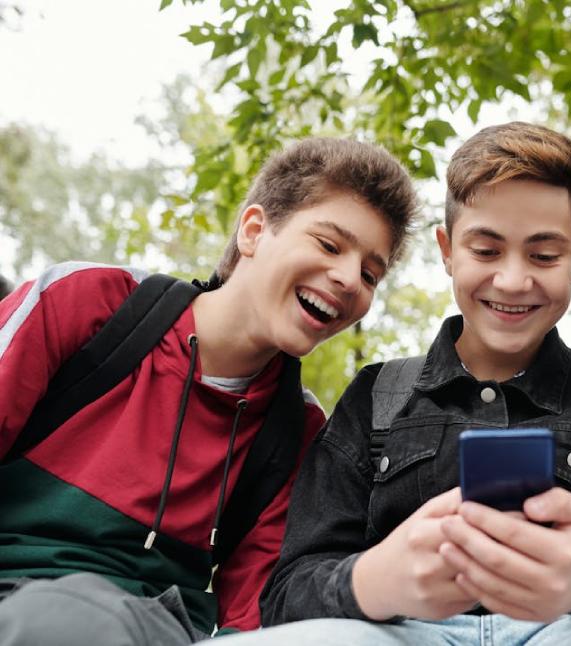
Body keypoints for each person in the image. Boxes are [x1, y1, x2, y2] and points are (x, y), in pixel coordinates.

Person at [216, 122, 571, 645]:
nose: (511, 280)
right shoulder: (377, 397)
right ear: (447, 250)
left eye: (544, 255)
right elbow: (286, 594)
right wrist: (376, 580)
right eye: (485, 251)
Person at [0, 137, 417, 645]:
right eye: (330, 245)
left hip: (162, 629)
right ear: (254, 231)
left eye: (371, 273)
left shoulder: (297, 435)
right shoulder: (87, 304)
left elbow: (257, 617)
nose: (350, 278)